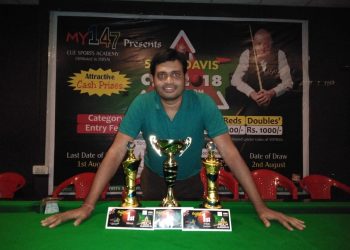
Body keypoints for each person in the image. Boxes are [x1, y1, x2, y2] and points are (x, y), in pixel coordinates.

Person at [41, 48, 305, 231]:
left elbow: (231, 154)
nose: (169, 81)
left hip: (192, 184)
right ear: (153, 79)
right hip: (153, 183)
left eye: (175, 74)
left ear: (185, 79)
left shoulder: (203, 103)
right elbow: (116, 151)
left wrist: (261, 207)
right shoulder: (142, 104)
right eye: (162, 75)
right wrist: (88, 206)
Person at [229, 28, 294, 115]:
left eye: (266, 44)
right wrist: (252, 93)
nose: (263, 48)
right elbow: (235, 79)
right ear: (253, 44)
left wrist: (271, 93)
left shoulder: (279, 54)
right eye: (259, 44)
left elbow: (288, 82)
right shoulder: (247, 54)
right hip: (253, 100)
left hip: (277, 101)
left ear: (271, 43)